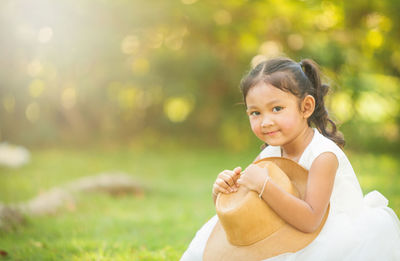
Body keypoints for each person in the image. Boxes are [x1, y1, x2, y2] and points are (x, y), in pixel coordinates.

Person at [181, 57, 400, 260]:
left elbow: (311, 221)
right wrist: (222, 192)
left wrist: (263, 185)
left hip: (328, 233)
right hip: (287, 229)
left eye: (276, 108)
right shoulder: (269, 154)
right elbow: (250, 208)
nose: (265, 121)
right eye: (255, 113)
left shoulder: (323, 155)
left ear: (306, 107)